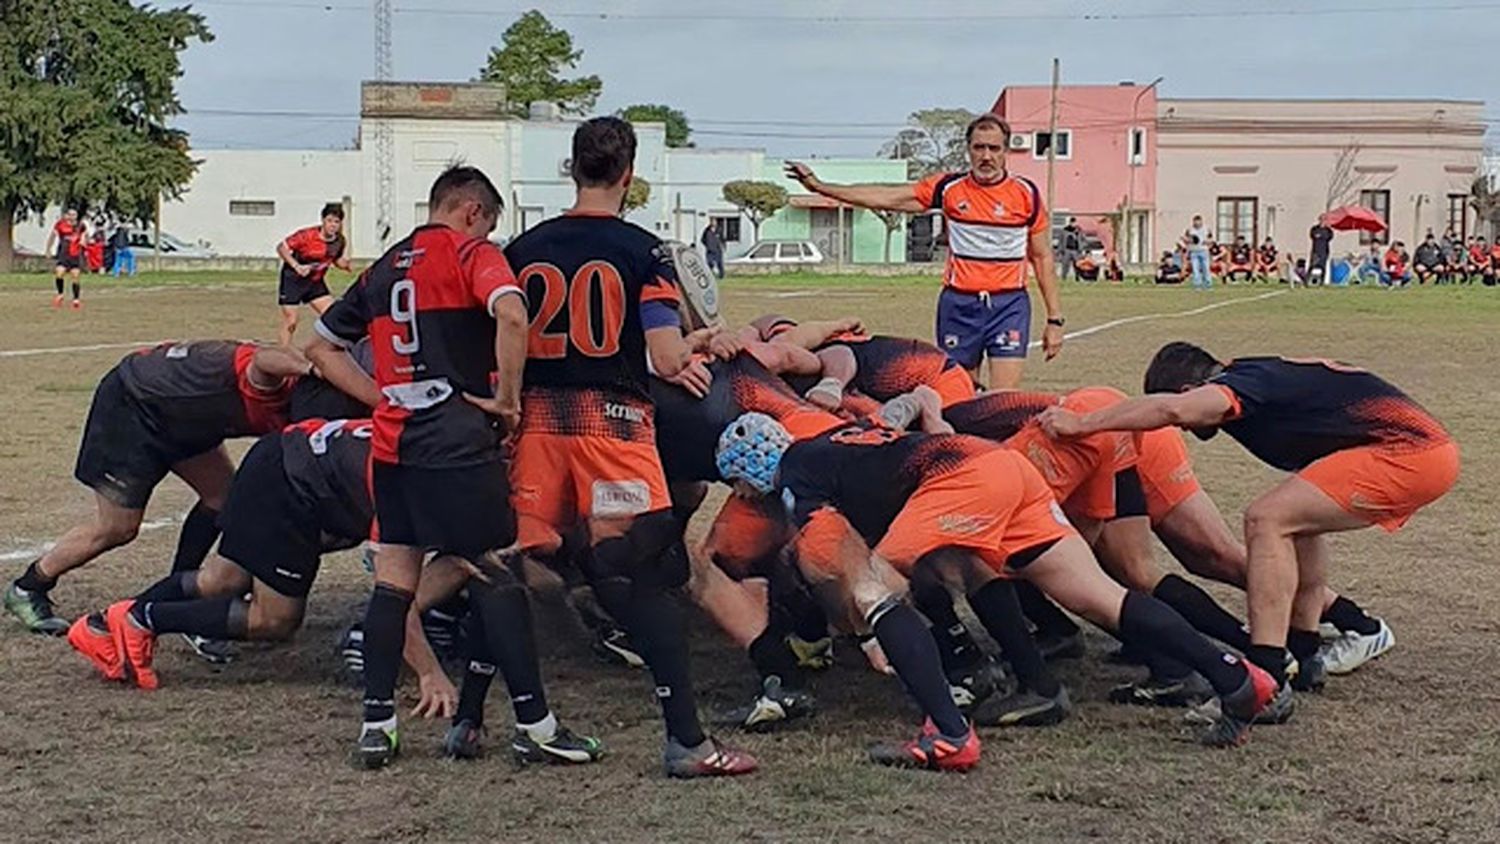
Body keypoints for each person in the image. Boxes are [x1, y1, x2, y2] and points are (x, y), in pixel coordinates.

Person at [717, 414, 1282, 763]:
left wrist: (856, 624)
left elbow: (833, 556)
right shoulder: (836, 437)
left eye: (739, 485)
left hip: (957, 479)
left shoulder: (795, 477)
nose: (742, 498)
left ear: (750, 469)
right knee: (1100, 597)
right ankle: (1236, 679)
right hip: (998, 466)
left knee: (876, 593)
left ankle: (947, 733)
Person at [306, 166, 598, 771]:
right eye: (488, 220)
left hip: (393, 446)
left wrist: (376, 397)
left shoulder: (383, 266)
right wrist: (509, 401)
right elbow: (513, 314)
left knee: (394, 583)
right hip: (456, 441)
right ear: (471, 212)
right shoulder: (472, 252)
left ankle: (377, 723)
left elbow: (320, 347)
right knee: (497, 573)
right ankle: (535, 725)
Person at [501, 117, 757, 778]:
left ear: (573, 168)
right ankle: (687, 742)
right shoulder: (646, 252)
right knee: (648, 575)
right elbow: (667, 356)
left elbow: (501, 342)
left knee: (511, 567)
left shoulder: (522, 248)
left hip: (535, 428)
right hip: (610, 429)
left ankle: (483, 720)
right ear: (628, 175)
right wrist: (700, 344)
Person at [1037, 342, 1458, 707]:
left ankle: (1268, 668)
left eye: (1182, 423)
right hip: (1418, 449)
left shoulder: (1235, 387)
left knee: (1266, 518)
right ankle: (1304, 651)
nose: (1181, 429)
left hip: (1411, 451)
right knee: (1296, 524)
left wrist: (1082, 423)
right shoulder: (1252, 373)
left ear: (1194, 389)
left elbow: (1172, 407)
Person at [3, 341, 309, 635]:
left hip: (182, 417)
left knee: (223, 498)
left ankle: (179, 591)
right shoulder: (281, 385)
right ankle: (28, 587)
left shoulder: (314, 412)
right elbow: (264, 358)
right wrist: (310, 366)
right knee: (118, 528)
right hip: (136, 402)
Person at [784, 113, 1064, 389]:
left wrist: (1054, 320)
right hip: (959, 306)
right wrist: (821, 187)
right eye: (979, 147)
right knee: (961, 395)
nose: (986, 156)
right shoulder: (948, 189)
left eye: (994, 148)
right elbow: (887, 196)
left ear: (1006, 152)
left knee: (1001, 398)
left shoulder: (1026, 194)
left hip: (1008, 305)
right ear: (968, 150)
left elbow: (1041, 258)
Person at [277, 203, 351, 346]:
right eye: (329, 221)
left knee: (333, 315)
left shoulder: (339, 241)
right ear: (323, 220)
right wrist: (296, 266)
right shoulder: (307, 235)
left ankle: (332, 350)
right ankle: (283, 353)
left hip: (315, 283)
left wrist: (345, 265)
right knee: (291, 321)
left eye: (336, 222)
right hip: (293, 281)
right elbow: (281, 247)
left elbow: (335, 259)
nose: (333, 225)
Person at [45, 207, 85, 309]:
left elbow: (84, 236)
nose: (72, 217)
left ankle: (76, 299)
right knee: (59, 273)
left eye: (74, 215)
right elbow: (52, 236)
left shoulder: (81, 226)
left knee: (75, 276)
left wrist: (83, 241)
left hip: (75, 255)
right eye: (70, 214)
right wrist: (48, 249)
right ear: (66, 215)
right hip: (63, 254)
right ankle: (60, 294)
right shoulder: (60, 225)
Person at [1180, 215, 1212, 289]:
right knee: (1195, 268)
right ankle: (1197, 284)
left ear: (1201, 221)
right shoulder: (1190, 230)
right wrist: (1188, 240)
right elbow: (1185, 239)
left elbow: (1211, 239)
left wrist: (1207, 242)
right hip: (1194, 251)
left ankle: (1207, 284)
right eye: (1195, 221)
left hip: (1203, 251)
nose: (1197, 223)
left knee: (1206, 268)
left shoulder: (1206, 229)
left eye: (1198, 221)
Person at [1306, 216, 1334, 286]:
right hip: (1316, 251)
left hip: (1324, 251)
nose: (1323, 221)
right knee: (1312, 266)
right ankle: (1306, 281)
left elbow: (1329, 238)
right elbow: (1312, 236)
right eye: (1321, 220)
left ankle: (1321, 282)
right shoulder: (1314, 229)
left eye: (1324, 220)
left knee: (1323, 267)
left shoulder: (1328, 230)